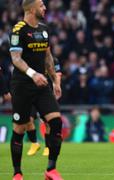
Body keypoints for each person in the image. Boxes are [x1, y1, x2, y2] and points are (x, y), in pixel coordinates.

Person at [9, 0, 63, 179]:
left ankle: (51, 170)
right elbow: (16, 59)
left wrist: (55, 81)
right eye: (41, 6)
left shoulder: (44, 29)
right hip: (22, 86)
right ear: (32, 9)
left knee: (56, 122)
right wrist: (33, 74)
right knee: (19, 128)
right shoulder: (18, 29)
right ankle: (17, 173)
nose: (45, 8)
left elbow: (48, 56)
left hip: (42, 85)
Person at [26, 57, 62, 157]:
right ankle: (34, 143)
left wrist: (56, 84)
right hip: (31, 92)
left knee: (47, 122)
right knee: (28, 119)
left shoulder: (53, 60)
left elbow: (58, 74)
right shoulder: (31, 58)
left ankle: (47, 147)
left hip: (46, 93)